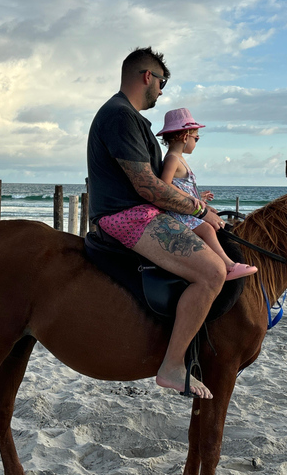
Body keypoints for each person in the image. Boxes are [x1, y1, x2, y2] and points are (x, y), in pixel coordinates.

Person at [87, 47, 229, 399]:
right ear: (146, 76)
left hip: (141, 212)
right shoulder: (121, 116)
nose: (162, 91)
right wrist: (199, 211)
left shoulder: (128, 117)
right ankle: (172, 365)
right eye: (162, 82)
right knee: (213, 273)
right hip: (129, 216)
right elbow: (148, 186)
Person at [158, 108, 257, 281]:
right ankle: (228, 265)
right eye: (196, 138)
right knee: (207, 229)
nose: (196, 142)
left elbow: (180, 185)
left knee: (216, 218)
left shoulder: (179, 158)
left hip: (186, 209)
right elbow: (165, 184)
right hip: (178, 214)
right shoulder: (173, 158)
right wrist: (189, 198)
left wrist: (199, 198)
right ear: (185, 136)